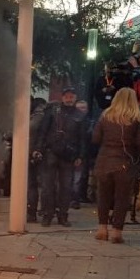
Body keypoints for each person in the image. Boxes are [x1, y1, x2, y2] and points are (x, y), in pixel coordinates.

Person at [92, 87, 140, 244]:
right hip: (125, 163)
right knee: (121, 199)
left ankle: (102, 229)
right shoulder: (137, 118)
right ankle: (116, 232)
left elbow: (95, 138)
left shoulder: (105, 116)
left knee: (103, 196)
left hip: (104, 162)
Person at [32, 87, 87, 227]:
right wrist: (38, 149)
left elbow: (82, 138)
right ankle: (47, 215)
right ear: (63, 97)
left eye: (71, 96)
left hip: (68, 155)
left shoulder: (80, 116)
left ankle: (63, 215)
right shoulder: (52, 112)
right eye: (67, 96)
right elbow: (43, 132)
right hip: (50, 153)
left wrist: (80, 155)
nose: (69, 98)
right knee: (47, 187)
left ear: (75, 98)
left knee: (66, 188)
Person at [27, 97, 48, 223]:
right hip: (35, 152)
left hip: (37, 153)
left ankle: (36, 212)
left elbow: (30, 129)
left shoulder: (38, 116)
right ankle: (35, 211)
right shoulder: (39, 115)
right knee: (34, 185)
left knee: (35, 185)